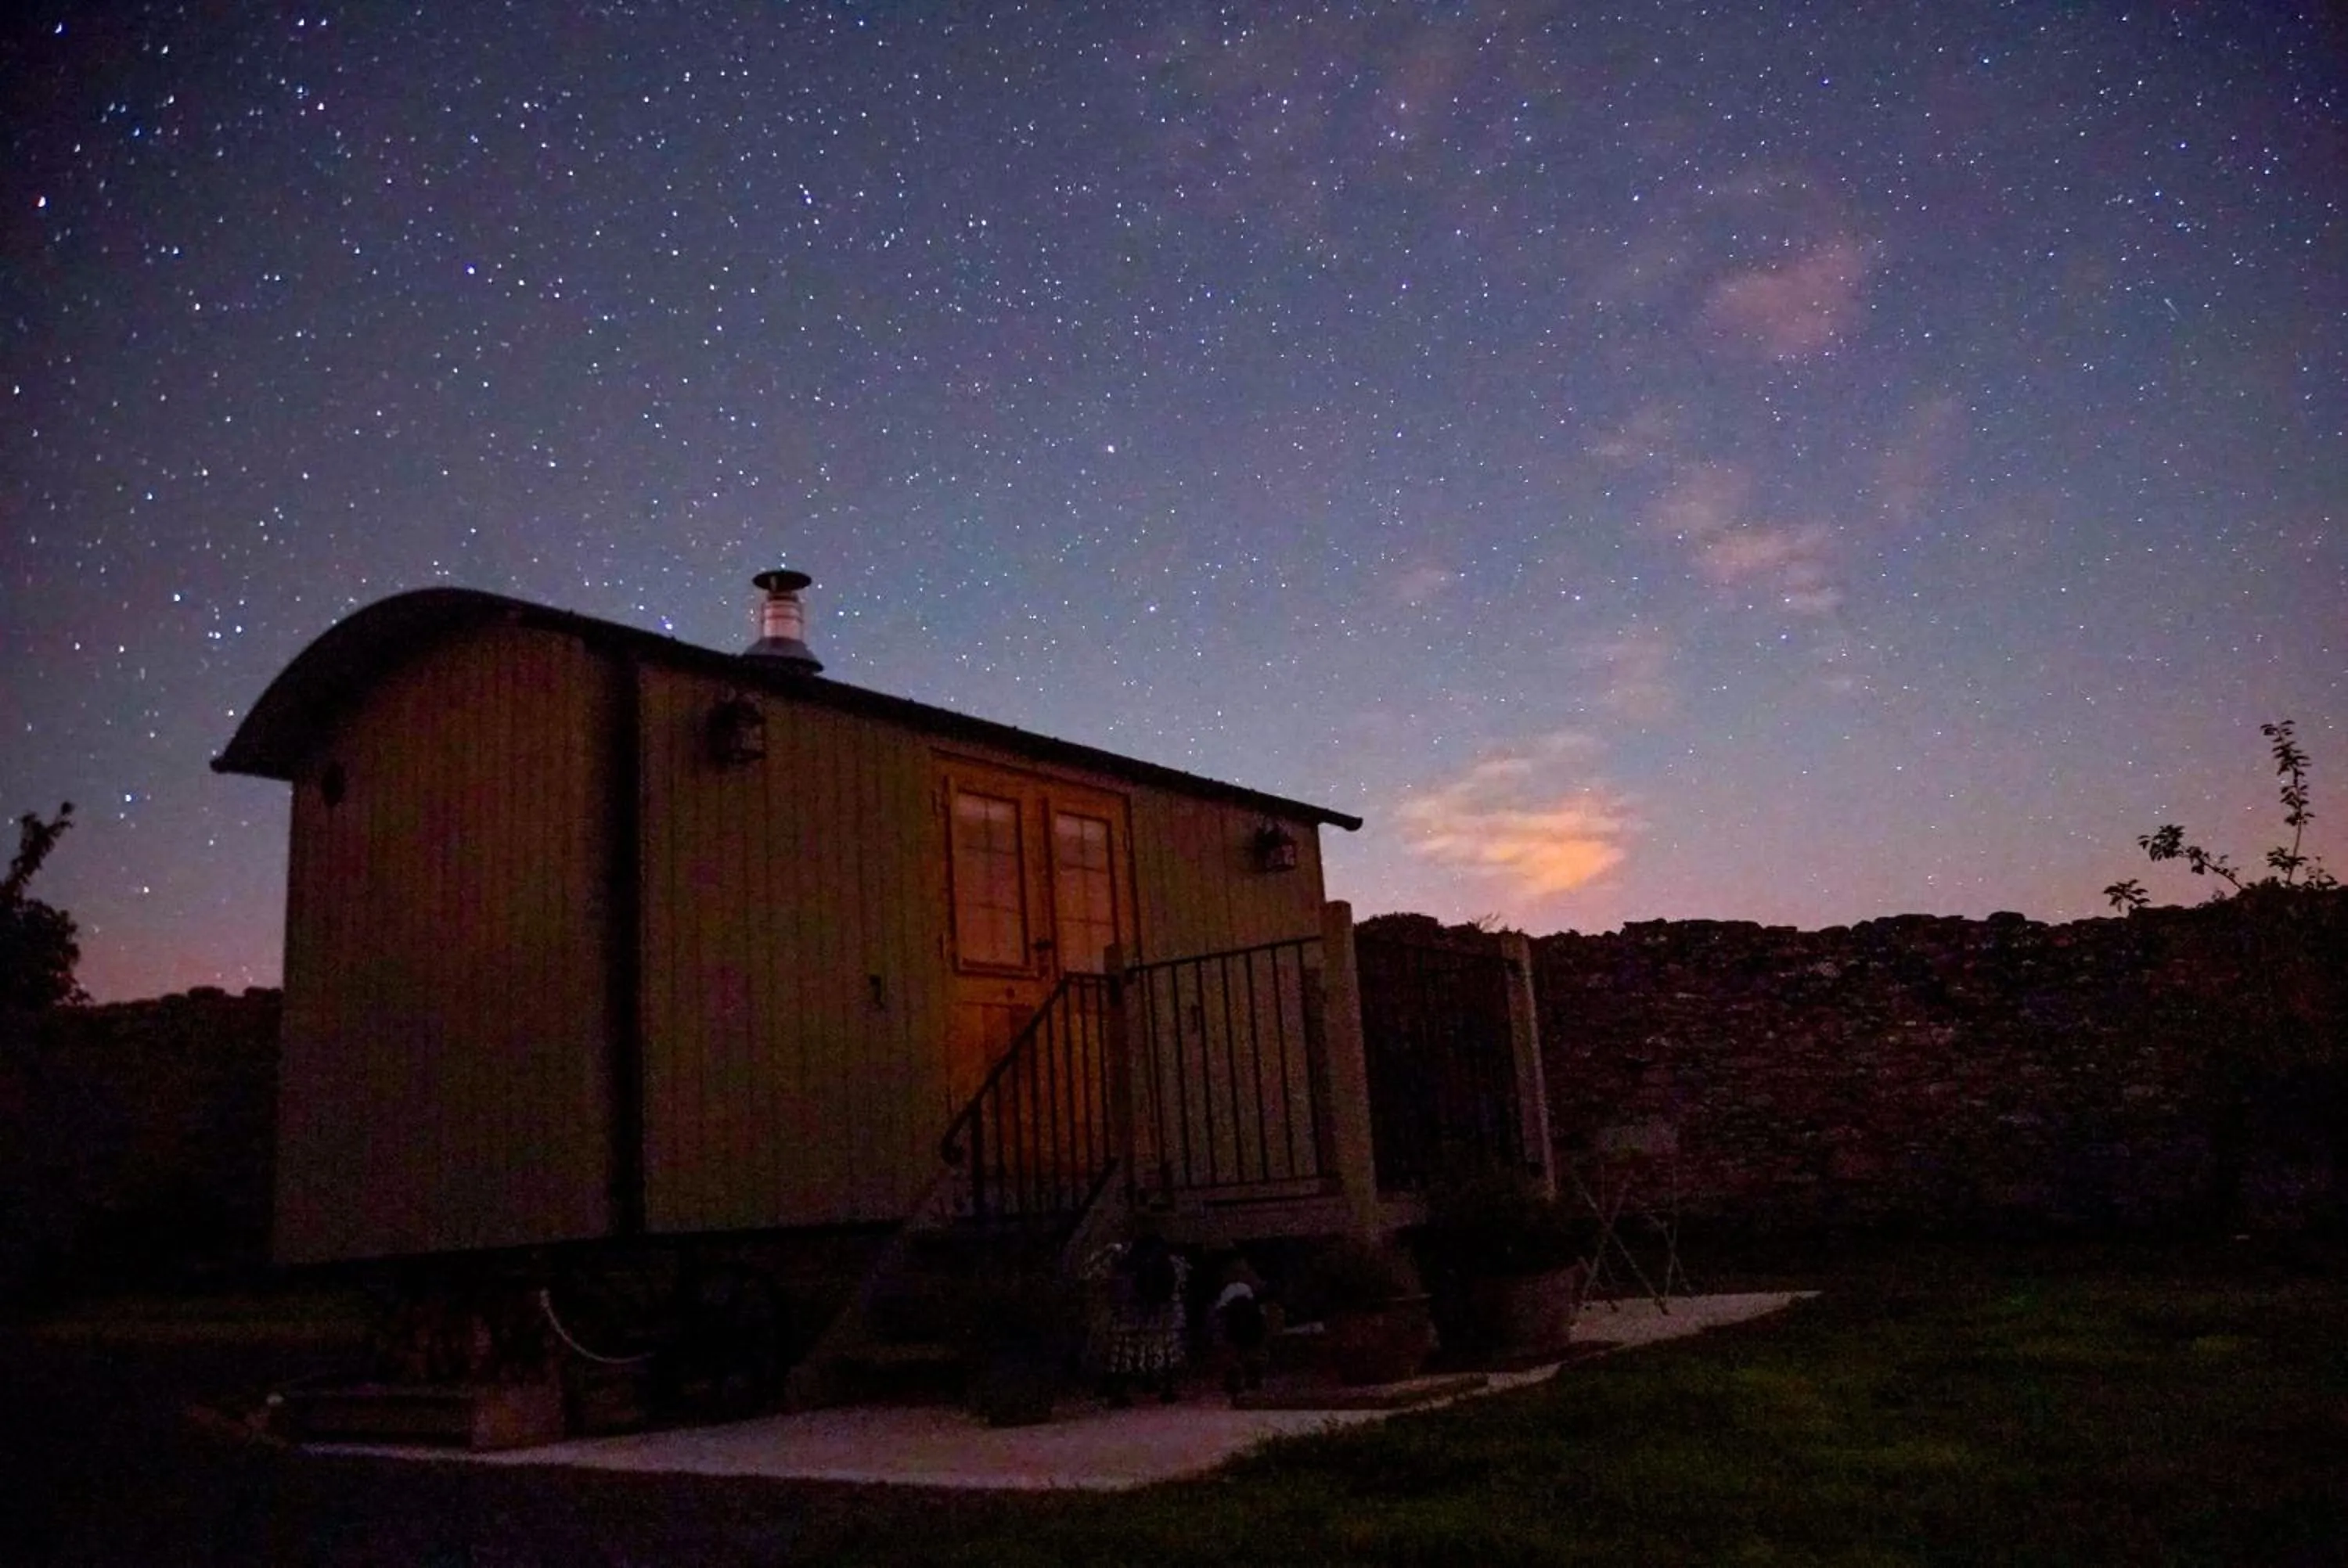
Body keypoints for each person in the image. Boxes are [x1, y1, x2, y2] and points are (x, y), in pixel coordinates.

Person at [1091, 1225, 1189, 1405]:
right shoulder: (1174, 1262)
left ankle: (1120, 1393)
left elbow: (1102, 1280)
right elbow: (1180, 1288)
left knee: (1123, 1356)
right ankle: (1167, 1390)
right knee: (1166, 1353)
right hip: (1164, 1316)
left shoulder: (1125, 1261)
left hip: (1129, 1316)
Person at [1212, 1256, 1271, 1399]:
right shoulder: (1244, 1290)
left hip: (1238, 1328)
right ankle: (1250, 1380)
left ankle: (1241, 1381)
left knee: (1238, 1356)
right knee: (1248, 1355)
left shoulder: (1232, 1289)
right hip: (1248, 1327)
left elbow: (1220, 1310)